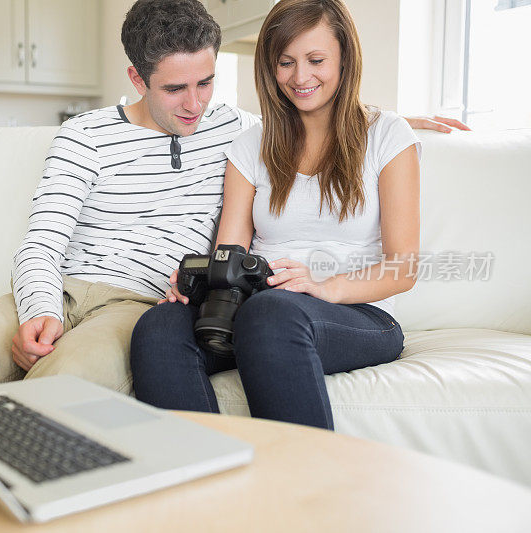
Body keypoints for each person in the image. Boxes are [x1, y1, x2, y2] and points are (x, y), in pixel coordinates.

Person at [0, 0, 466, 397]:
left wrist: (385, 122)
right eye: (175, 89)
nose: (194, 105)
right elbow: (43, 239)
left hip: (162, 303)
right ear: (136, 77)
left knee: (62, 386)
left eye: (205, 83)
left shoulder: (236, 128)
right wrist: (39, 310)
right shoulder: (92, 135)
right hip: (69, 287)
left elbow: (318, 113)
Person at [130, 0, 423, 431]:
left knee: (272, 314)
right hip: (257, 307)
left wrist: (323, 287)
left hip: (356, 312)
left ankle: (300, 492)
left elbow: (404, 267)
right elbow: (230, 251)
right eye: (286, 62)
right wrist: (202, 281)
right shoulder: (250, 146)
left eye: (316, 60)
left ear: (345, 56)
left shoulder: (387, 135)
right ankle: (204, 483)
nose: (300, 77)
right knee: (158, 326)